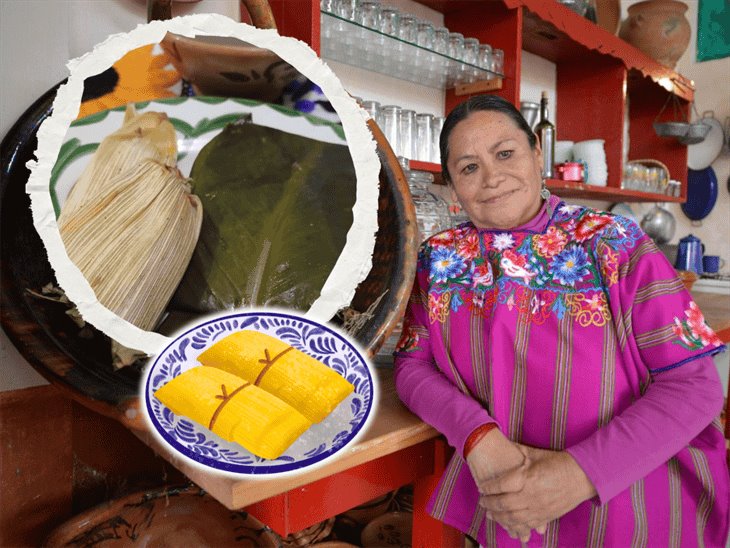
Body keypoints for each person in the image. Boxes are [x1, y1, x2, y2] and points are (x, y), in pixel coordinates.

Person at [393, 94, 729, 546]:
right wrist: (477, 438)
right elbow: (412, 366)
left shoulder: (614, 244)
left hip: (628, 503)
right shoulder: (439, 258)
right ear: (452, 188)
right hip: (510, 500)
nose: (492, 177)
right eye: (468, 167)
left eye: (505, 154)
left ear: (536, 154)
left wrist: (576, 476)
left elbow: (695, 387)